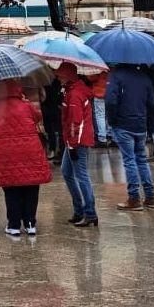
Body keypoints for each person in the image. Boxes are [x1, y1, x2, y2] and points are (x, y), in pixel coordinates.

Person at [0, 80, 50, 237]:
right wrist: (25, 101)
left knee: (11, 189)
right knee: (31, 187)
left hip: (7, 155)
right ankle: (30, 224)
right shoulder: (26, 105)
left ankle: (14, 225)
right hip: (30, 152)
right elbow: (38, 117)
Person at [106, 63, 154, 211]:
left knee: (129, 161)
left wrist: (112, 121)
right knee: (142, 160)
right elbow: (151, 103)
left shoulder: (116, 77)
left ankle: (134, 198)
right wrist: (149, 123)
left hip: (123, 124)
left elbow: (110, 101)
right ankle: (150, 196)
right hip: (140, 124)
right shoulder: (144, 77)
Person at [58, 65, 98, 227]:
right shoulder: (73, 91)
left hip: (77, 141)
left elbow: (76, 122)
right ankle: (80, 210)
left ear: (68, 76)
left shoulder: (74, 94)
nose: (58, 78)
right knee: (67, 172)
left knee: (81, 175)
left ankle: (89, 213)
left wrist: (73, 145)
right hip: (74, 140)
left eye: (60, 75)